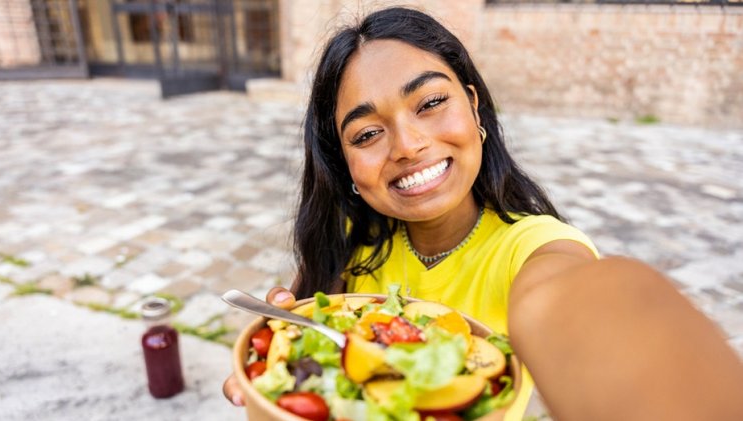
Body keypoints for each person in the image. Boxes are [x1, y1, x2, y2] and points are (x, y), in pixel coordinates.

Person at [223, 7, 743, 420]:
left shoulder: (534, 250)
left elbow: (580, 307)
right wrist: (279, 374)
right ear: (347, 167)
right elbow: (299, 332)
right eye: (367, 133)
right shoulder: (347, 245)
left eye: (429, 102)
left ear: (474, 106)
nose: (408, 145)